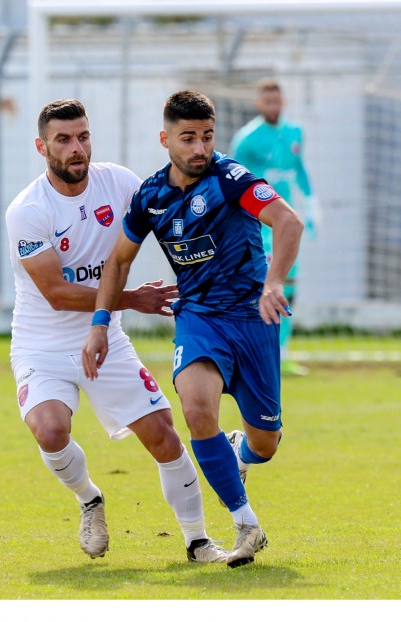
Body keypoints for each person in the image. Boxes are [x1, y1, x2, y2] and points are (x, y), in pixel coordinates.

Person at [82, 90, 304, 568]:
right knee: (196, 406)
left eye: (206, 136)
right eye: (188, 138)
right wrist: (101, 321)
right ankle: (246, 525)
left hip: (253, 319)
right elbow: (119, 260)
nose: (200, 148)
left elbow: (287, 222)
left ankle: (241, 452)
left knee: (266, 441)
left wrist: (274, 282)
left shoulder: (231, 179)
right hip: (199, 318)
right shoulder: (151, 196)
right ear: (166, 140)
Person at [5, 98, 228, 564]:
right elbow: (56, 292)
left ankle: (198, 540)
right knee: (50, 430)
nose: (76, 148)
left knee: (164, 436)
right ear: (41, 146)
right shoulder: (27, 210)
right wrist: (131, 299)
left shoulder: (120, 183)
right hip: (42, 344)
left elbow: (169, 210)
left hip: (106, 339)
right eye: (63, 140)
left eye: (83, 136)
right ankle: (89, 499)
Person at [230, 79, 319, 377]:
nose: (272, 106)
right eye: (267, 101)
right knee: (265, 285)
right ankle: (257, 353)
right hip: (259, 223)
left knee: (288, 287)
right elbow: (233, 179)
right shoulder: (247, 138)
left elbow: (299, 169)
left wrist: (312, 204)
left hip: (286, 220)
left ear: (283, 102)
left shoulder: (294, 132)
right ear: (258, 104)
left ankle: (282, 352)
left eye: (276, 100)